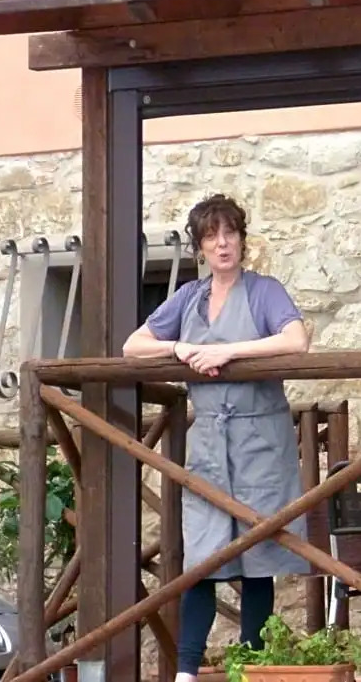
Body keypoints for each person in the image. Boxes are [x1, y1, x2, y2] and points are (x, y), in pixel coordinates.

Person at [123, 194, 311, 682]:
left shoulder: (265, 290)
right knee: (202, 557)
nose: (223, 243)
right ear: (200, 247)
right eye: (212, 236)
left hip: (259, 441)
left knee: (258, 557)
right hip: (208, 442)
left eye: (230, 233)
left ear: (243, 240)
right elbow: (133, 346)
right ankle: (186, 671)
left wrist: (230, 353)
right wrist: (179, 348)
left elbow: (296, 340)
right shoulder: (189, 296)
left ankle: (249, 668)